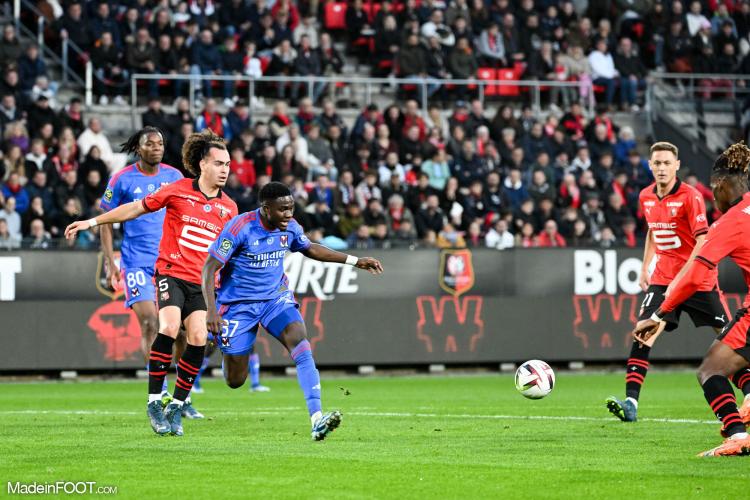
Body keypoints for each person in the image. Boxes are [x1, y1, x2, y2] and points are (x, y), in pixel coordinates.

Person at [64, 130, 238, 437]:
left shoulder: (230, 208)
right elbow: (134, 208)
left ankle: (177, 404)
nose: (225, 169)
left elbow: (227, 253)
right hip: (168, 271)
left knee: (197, 337)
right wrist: (92, 222)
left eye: (228, 164)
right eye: (219, 163)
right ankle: (154, 400)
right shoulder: (177, 189)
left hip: (201, 282)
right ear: (201, 165)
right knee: (167, 327)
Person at [201, 182, 383, 440]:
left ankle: (317, 418)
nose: (288, 214)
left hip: (275, 298)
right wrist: (211, 311)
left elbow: (310, 249)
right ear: (265, 209)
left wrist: (354, 261)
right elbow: (209, 268)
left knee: (299, 339)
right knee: (235, 380)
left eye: (291, 208)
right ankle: (224, 347)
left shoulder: (290, 228)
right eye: (282, 209)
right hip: (238, 306)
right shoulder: (240, 227)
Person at [607, 142, 750, 424]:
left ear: (676, 166)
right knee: (643, 335)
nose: (661, 168)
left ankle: (744, 405)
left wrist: (689, 271)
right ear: (649, 165)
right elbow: (652, 230)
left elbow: (702, 238)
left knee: (727, 347)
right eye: (656, 163)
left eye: (666, 163)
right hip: (663, 279)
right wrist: (646, 265)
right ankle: (631, 402)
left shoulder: (692, 197)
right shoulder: (646, 196)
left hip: (698, 280)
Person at [99, 127, 196, 414]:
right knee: (150, 323)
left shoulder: (174, 177)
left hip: (171, 262)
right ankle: (161, 392)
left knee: (179, 332)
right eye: (150, 143)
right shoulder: (122, 179)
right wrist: (109, 262)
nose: (156, 147)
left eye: (160, 143)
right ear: (138, 149)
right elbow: (105, 219)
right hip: (137, 263)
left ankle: (182, 397)